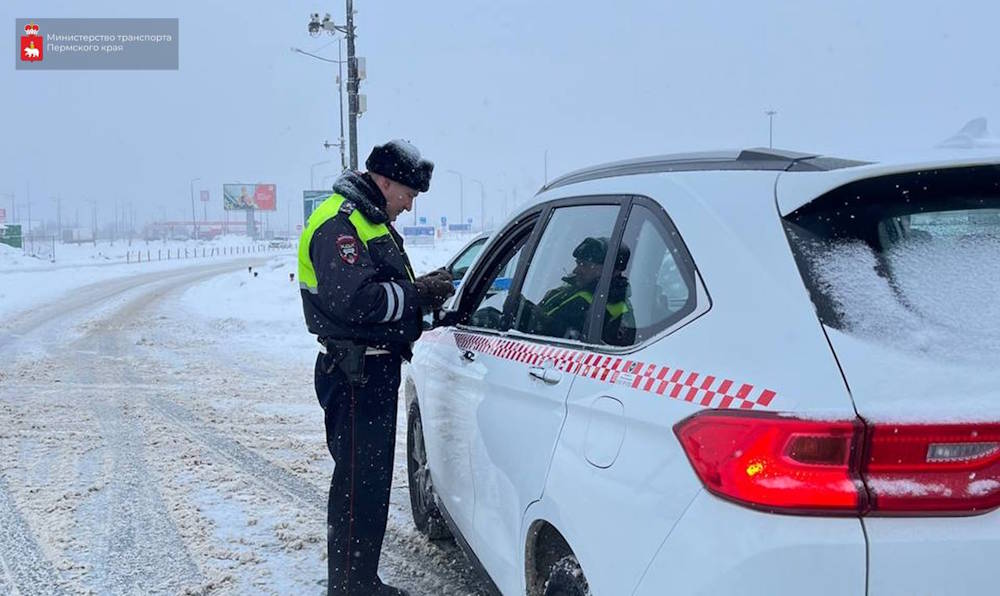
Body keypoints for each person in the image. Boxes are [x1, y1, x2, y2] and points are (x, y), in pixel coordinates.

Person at [297, 139, 455, 596]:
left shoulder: (369, 220)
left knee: (369, 486)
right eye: (407, 194)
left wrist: (421, 301)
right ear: (384, 181)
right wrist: (418, 294)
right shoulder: (339, 224)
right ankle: (350, 588)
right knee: (355, 490)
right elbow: (358, 301)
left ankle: (360, 580)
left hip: (371, 373)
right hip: (354, 377)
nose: (409, 205)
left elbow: (382, 291)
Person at [531, 237, 634, 344]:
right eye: (577, 263)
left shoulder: (606, 307)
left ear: (610, 271)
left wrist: (524, 309)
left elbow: (542, 328)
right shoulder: (571, 290)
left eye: (584, 265)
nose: (576, 270)